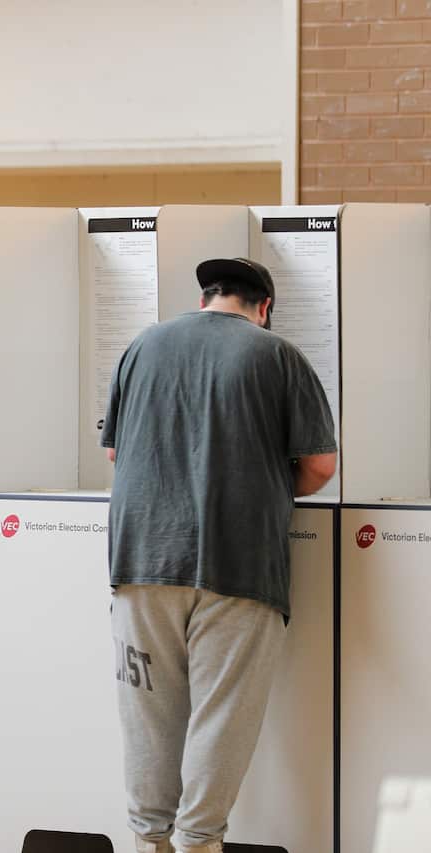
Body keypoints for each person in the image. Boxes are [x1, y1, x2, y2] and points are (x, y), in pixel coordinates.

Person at [100, 257, 337, 853]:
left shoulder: (142, 346)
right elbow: (319, 466)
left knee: (147, 721)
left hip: (141, 561)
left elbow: (114, 455)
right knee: (221, 717)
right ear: (264, 308)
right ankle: (198, 842)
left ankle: (148, 840)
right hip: (239, 563)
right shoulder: (275, 354)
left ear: (206, 297)